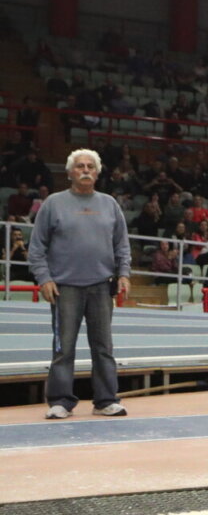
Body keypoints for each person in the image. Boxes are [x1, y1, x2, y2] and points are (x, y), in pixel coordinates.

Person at [28, 148, 131, 419]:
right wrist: (44, 278)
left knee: (103, 347)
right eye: (80, 166)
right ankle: (60, 401)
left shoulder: (109, 204)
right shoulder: (53, 203)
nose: (85, 170)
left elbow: (122, 244)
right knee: (64, 348)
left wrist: (124, 274)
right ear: (70, 172)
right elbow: (36, 247)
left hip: (101, 286)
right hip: (65, 288)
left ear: (97, 173)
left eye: (90, 166)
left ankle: (106, 400)